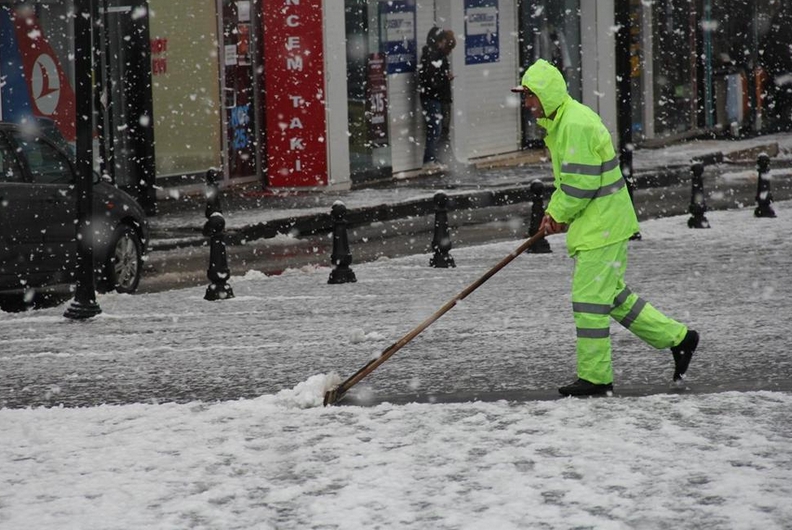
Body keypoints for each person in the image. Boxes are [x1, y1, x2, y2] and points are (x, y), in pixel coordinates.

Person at [511, 59, 699, 397]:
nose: (527, 103)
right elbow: (573, 182)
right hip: (600, 223)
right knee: (612, 298)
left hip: (602, 227)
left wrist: (556, 214)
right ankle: (679, 339)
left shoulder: (575, 125)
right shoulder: (564, 121)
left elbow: (579, 185)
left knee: (588, 300)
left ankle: (596, 379)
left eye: (530, 96)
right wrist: (555, 215)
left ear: (546, 95)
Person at [418, 27, 454, 172]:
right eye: (442, 41)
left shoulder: (435, 55)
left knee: (437, 129)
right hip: (432, 96)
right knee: (435, 129)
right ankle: (429, 160)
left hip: (433, 96)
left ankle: (435, 158)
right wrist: (444, 78)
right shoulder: (432, 56)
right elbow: (431, 79)